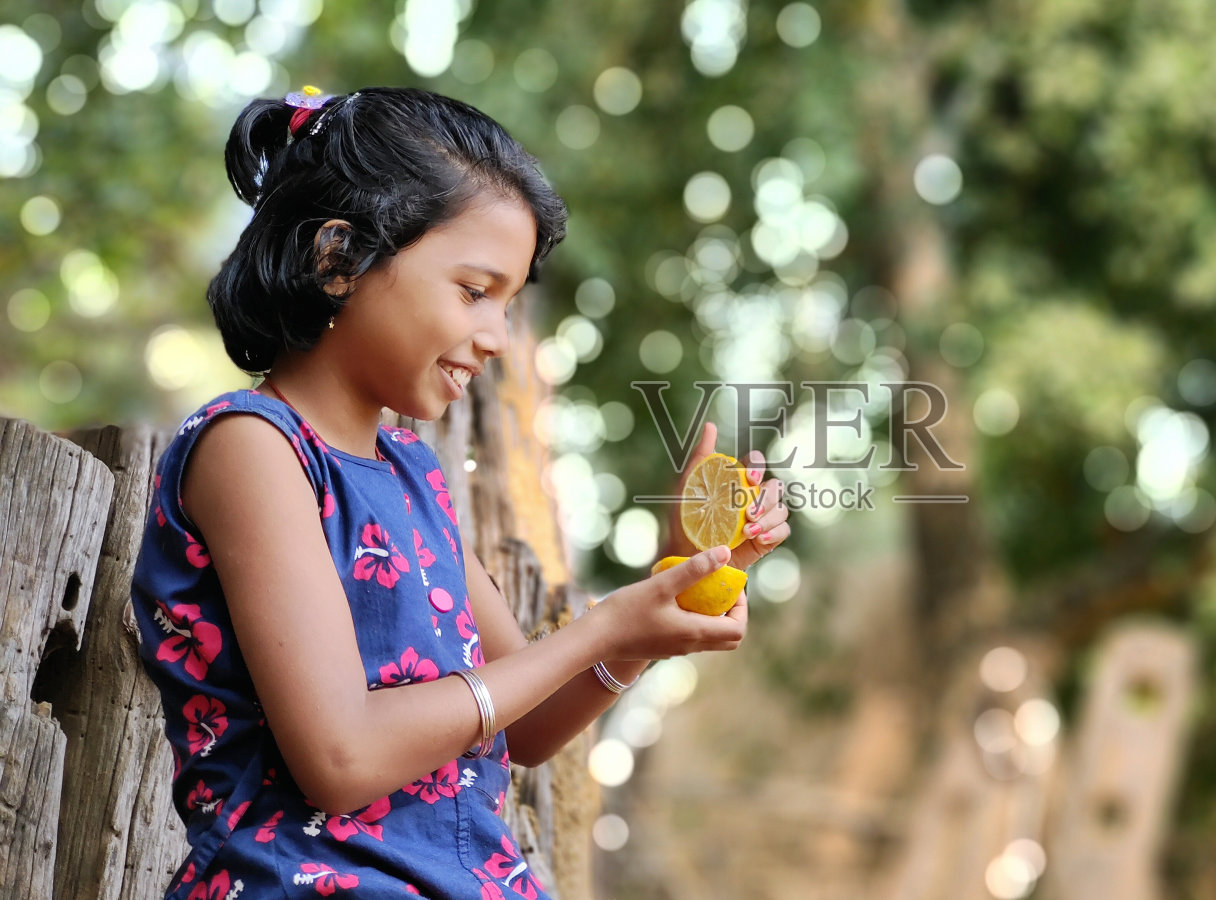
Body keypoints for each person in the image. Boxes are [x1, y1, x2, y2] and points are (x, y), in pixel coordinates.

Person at [129, 85, 792, 899]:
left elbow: (527, 726)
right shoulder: (252, 450)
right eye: (475, 291)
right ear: (338, 258)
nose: (497, 336)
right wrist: (601, 628)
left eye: (509, 304)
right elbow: (342, 759)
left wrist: (664, 594)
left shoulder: (413, 474)